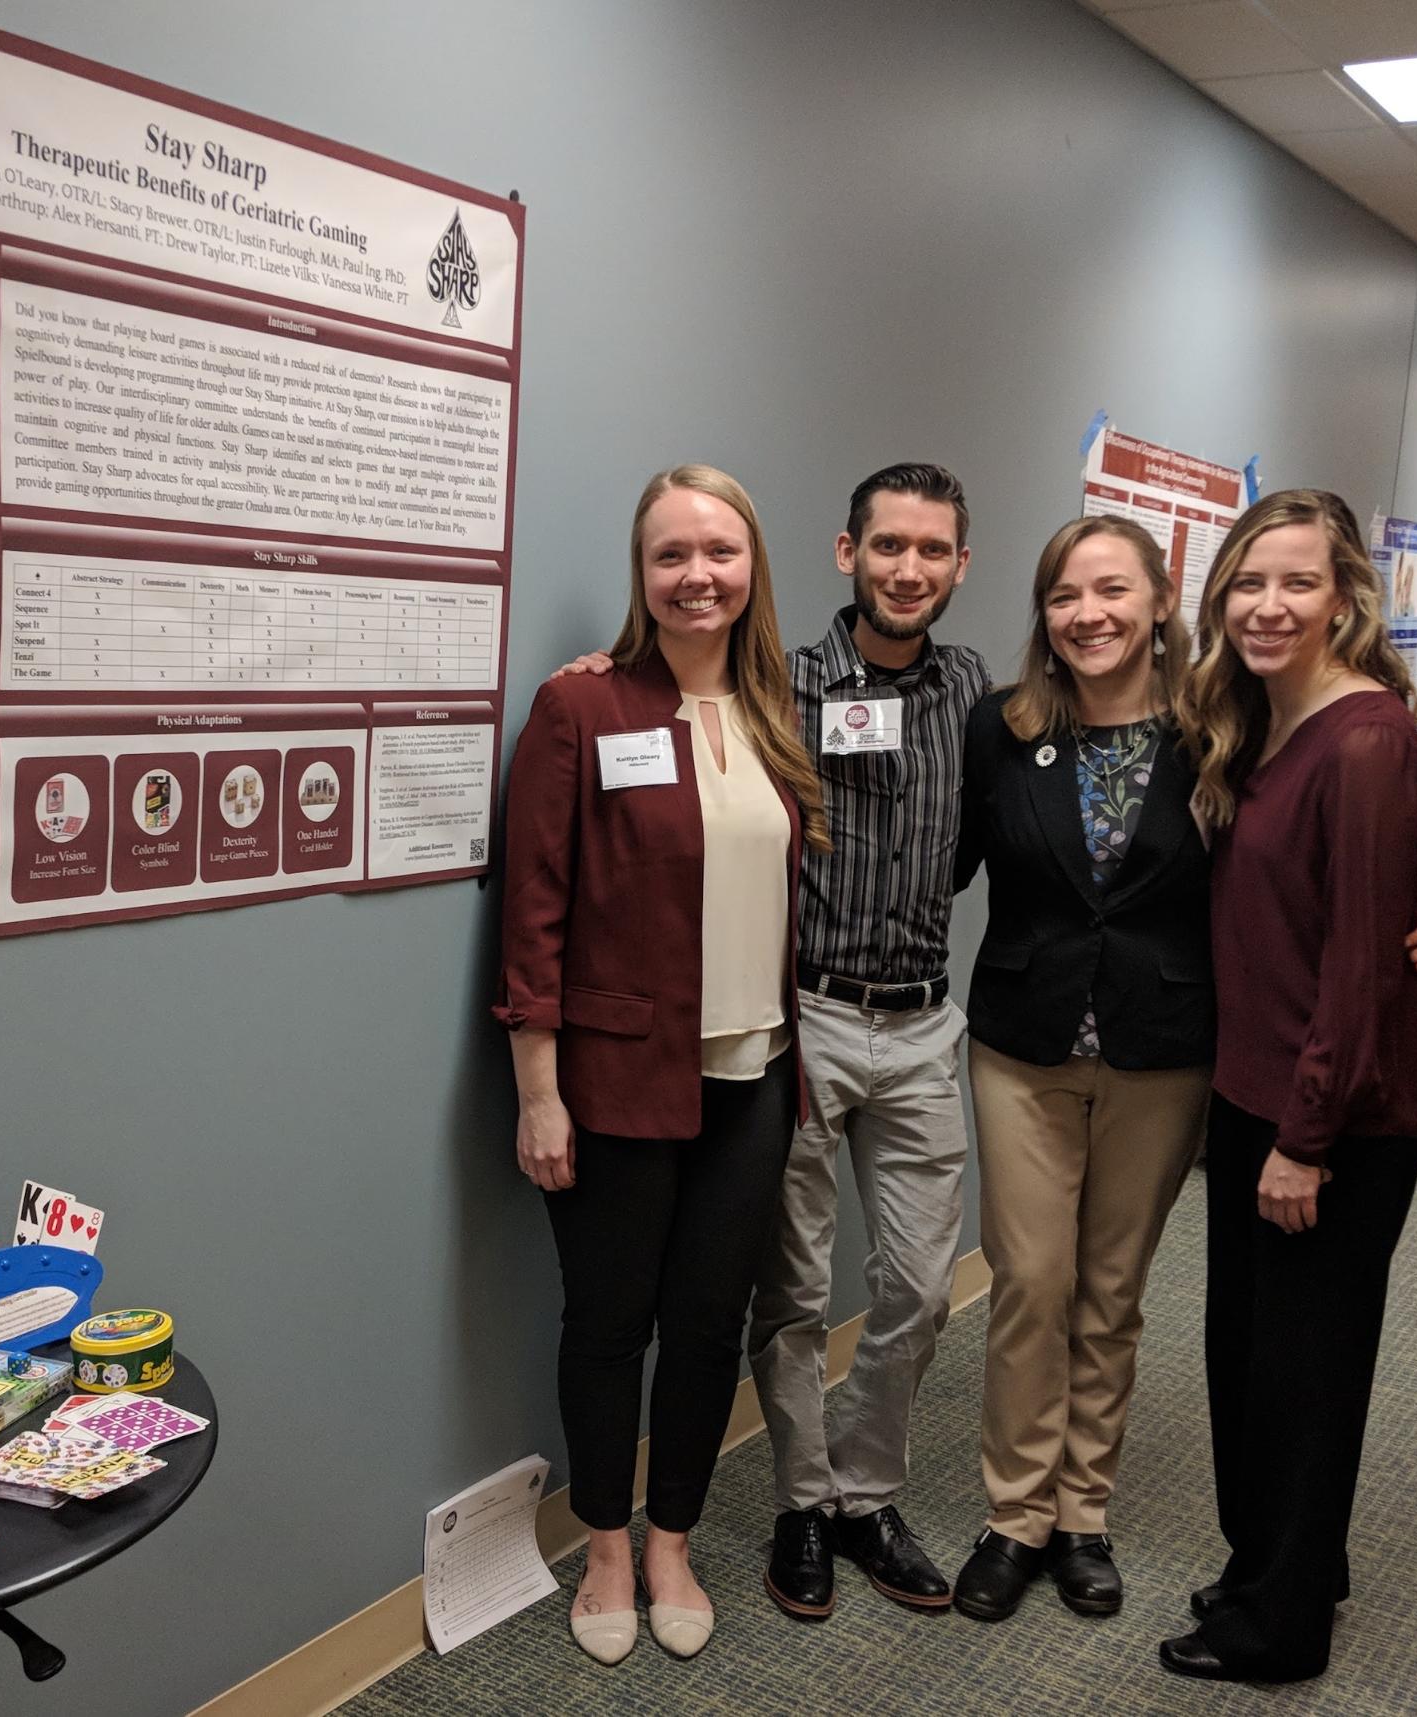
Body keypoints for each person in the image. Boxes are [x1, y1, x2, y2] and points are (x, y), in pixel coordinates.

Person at [556, 464, 992, 1620]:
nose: (908, 568)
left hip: (865, 1034)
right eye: (886, 545)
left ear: (960, 565)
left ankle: (843, 1501)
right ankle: (785, 1507)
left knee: (901, 1288)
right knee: (768, 1295)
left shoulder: (961, 694)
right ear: (844, 552)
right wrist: (606, 668)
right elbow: (556, 888)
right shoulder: (761, 689)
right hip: (771, 1028)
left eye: (932, 550)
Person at [494, 464, 825, 1664]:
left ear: (753, 570)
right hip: (615, 1081)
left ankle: (673, 1535)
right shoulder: (583, 708)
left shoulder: (775, 708)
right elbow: (532, 912)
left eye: (720, 553)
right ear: (643, 574)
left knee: (706, 1323)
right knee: (607, 1324)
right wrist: (540, 1089)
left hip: (754, 1080)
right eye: (671, 555)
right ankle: (601, 1545)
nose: (698, 576)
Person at [1158, 489, 1417, 1683]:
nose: (1268, 605)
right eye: (1247, 583)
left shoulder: (1366, 736)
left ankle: (1280, 1629)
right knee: (1250, 1354)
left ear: (1344, 598)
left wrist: (1306, 1140)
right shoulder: (1261, 717)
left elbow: (1364, 965)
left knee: (1302, 1373)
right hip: (1258, 1088)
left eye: (1297, 582)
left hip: (1337, 1114)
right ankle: (1285, 1561)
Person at [948, 517, 1213, 1623]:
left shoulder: (1220, 733)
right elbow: (936, 851)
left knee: (1110, 1293)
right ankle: (1014, 1514)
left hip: (1161, 1049)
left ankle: (1080, 1513)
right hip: (1023, 1045)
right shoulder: (1003, 729)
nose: (1088, 613)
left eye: (1112, 590)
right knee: (1029, 1284)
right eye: (1065, 594)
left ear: (1160, 600)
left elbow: (1296, 860)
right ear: (1043, 615)